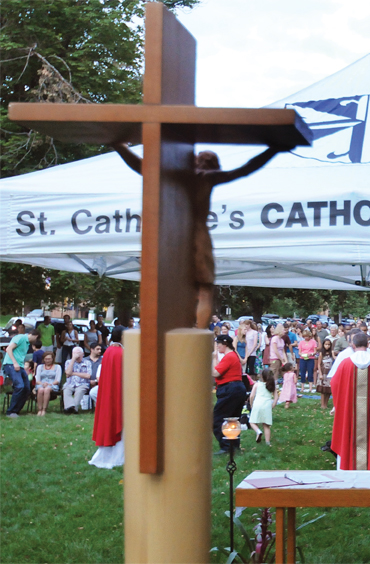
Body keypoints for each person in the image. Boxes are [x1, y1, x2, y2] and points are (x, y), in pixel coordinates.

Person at [113, 142, 288, 329]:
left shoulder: (176, 175)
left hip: (173, 237)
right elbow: (245, 169)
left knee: (169, 285)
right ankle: (200, 330)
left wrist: (119, 147)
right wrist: (273, 150)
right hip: (198, 235)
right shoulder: (208, 177)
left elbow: (140, 166)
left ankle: (163, 327)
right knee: (205, 288)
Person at [330, 332, 370, 470]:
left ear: (353, 345)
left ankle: (346, 468)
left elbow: (334, 383)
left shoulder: (345, 363)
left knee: (347, 435)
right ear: (368, 344)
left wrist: (339, 404)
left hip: (349, 412)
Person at [90, 328, 125, 469]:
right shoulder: (121, 353)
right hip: (119, 392)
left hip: (110, 392)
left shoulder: (109, 351)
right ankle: (118, 458)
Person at [212, 334, 247, 455]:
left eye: (218, 344)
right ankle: (234, 445)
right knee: (233, 419)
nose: (217, 346)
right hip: (237, 388)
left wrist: (213, 358)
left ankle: (226, 446)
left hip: (230, 389)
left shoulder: (229, 356)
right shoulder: (233, 355)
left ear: (225, 344)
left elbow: (215, 373)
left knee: (218, 419)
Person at [248, 367, 278, 446]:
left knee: (252, 422)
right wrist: (273, 404)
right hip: (267, 405)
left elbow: (251, 396)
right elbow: (276, 397)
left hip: (257, 404)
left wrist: (251, 404)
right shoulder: (272, 386)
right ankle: (268, 442)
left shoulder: (257, 384)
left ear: (262, 376)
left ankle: (258, 431)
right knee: (266, 425)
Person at [34, 351, 61, 416]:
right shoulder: (40, 367)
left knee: (47, 389)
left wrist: (49, 384)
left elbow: (57, 380)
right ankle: (39, 409)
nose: (47, 361)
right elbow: (37, 380)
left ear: (52, 359)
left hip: (52, 384)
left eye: (49, 359)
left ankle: (44, 409)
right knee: (40, 390)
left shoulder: (57, 367)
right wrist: (42, 384)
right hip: (41, 384)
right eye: (46, 359)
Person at [316, 339, 335, 409]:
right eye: (326, 344)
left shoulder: (331, 353)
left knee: (328, 389)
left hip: (330, 372)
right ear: (323, 345)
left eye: (329, 344)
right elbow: (319, 364)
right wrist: (320, 373)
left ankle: (326, 404)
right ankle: (322, 404)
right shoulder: (321, 353)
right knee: (323, 390)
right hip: (323, 372)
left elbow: (335, 358)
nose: (327, 346)